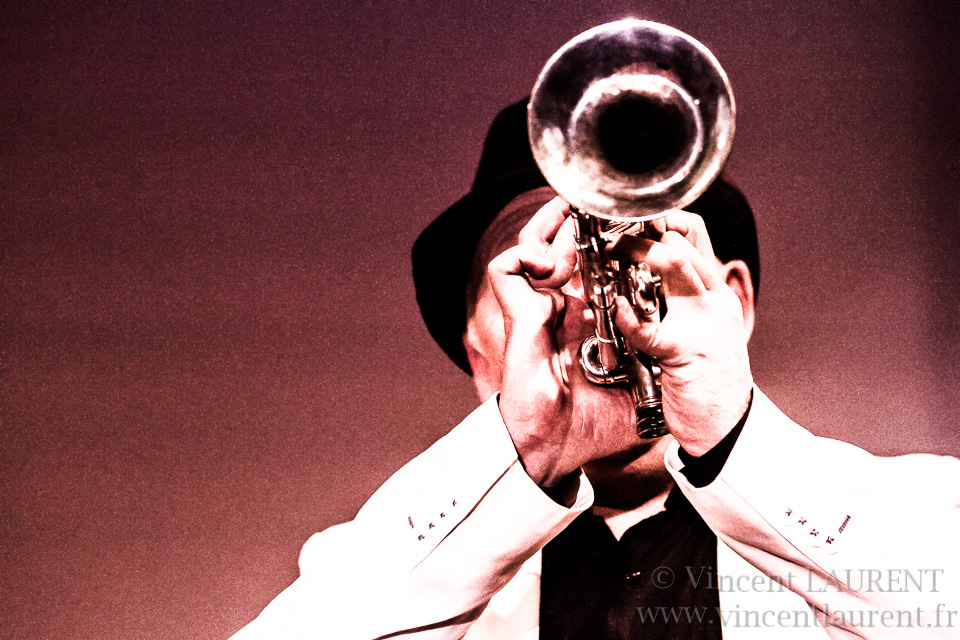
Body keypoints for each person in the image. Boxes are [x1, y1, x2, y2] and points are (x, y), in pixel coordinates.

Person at [229, 99, 960, 639]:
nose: (587, 293)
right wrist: (519, 449)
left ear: (731, 303)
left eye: (628, 244)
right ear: (481, 359)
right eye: (536, 266)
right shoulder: (370, 568)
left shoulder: (917, 514)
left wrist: (735, 442)